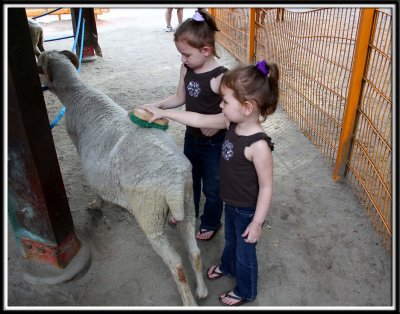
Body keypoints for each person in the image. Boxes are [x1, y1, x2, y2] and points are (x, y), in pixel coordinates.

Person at [144, 60, 279, 306]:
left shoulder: (258, 145)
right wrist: (164, 113)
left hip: (247, 210)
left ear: (247, 107)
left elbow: (267, 187)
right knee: (231, 240)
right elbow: (197, 118)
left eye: (226, 102)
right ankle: (228, 267)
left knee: (245, 251)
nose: (220, 105)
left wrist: (258, 222)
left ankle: (246, 291)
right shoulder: (231, 123)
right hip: (231, 202)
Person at [141, 9, 227, 241]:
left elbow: (232, 113)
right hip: (192, 137)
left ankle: (210, 222)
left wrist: (219, 125)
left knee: (212, 187)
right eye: (181, 54)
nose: (183, 59)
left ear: (206, 50)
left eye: (186, 54)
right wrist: (156, 105)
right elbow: (180, 98)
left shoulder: (220, 77)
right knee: (189, 179)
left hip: (214, 143)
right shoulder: (186, 68)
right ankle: (189, 212)